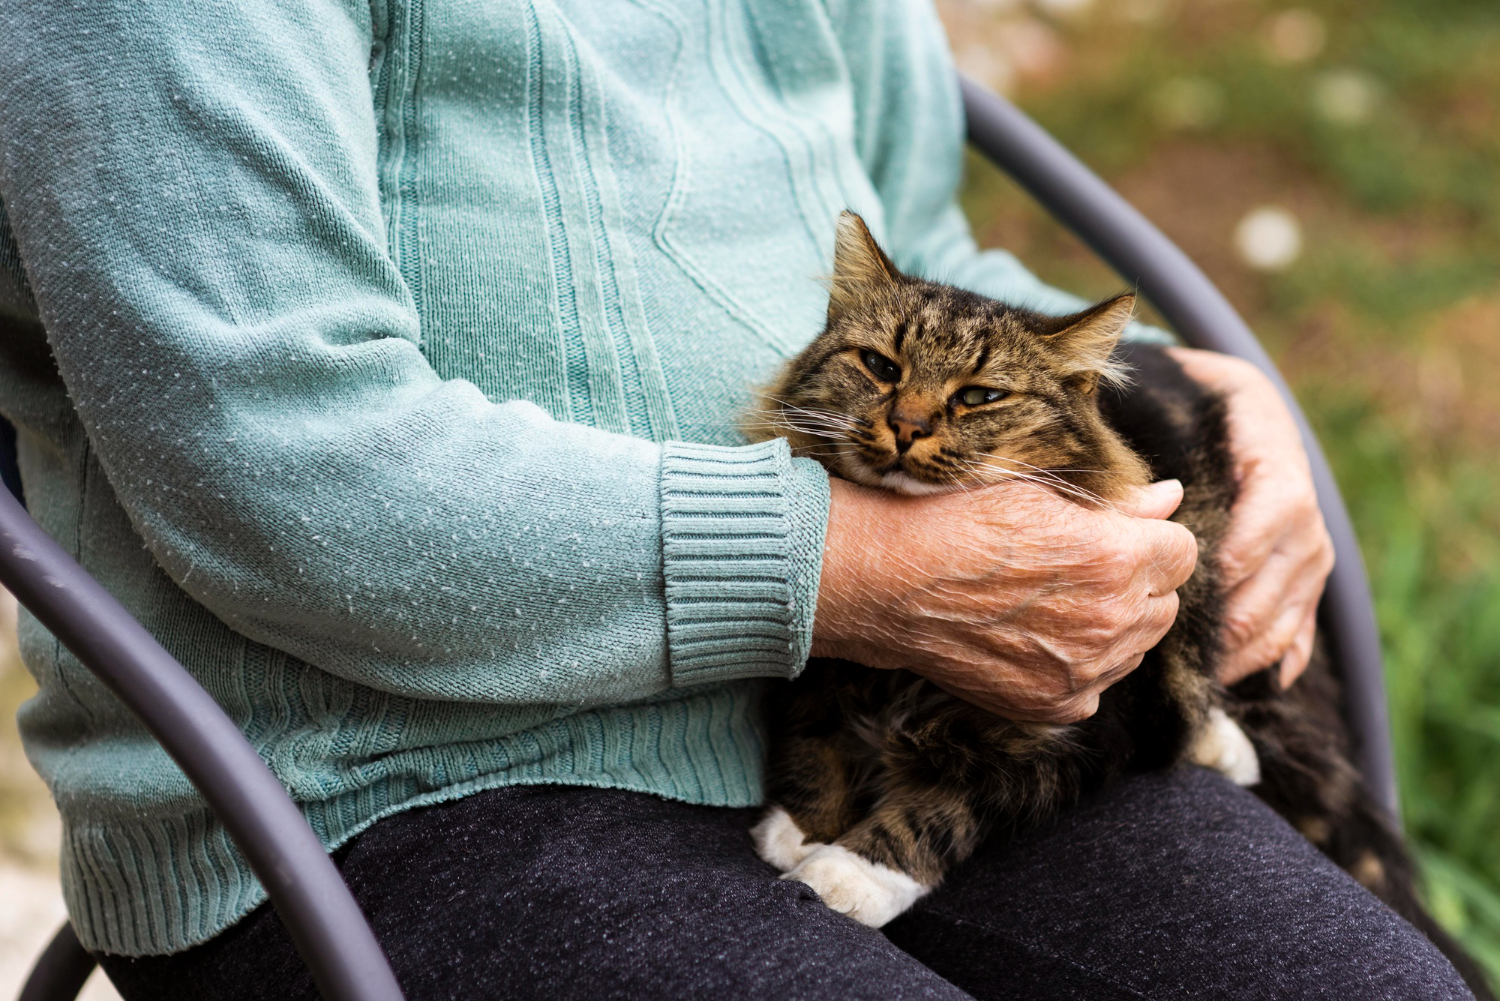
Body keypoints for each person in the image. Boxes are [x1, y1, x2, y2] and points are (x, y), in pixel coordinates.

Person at [0, 0, 1471, 998]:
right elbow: (277, 466)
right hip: (391, 774)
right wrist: (854, 568)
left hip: (885, 712)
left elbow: (926, 259)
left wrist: (1197, 399)